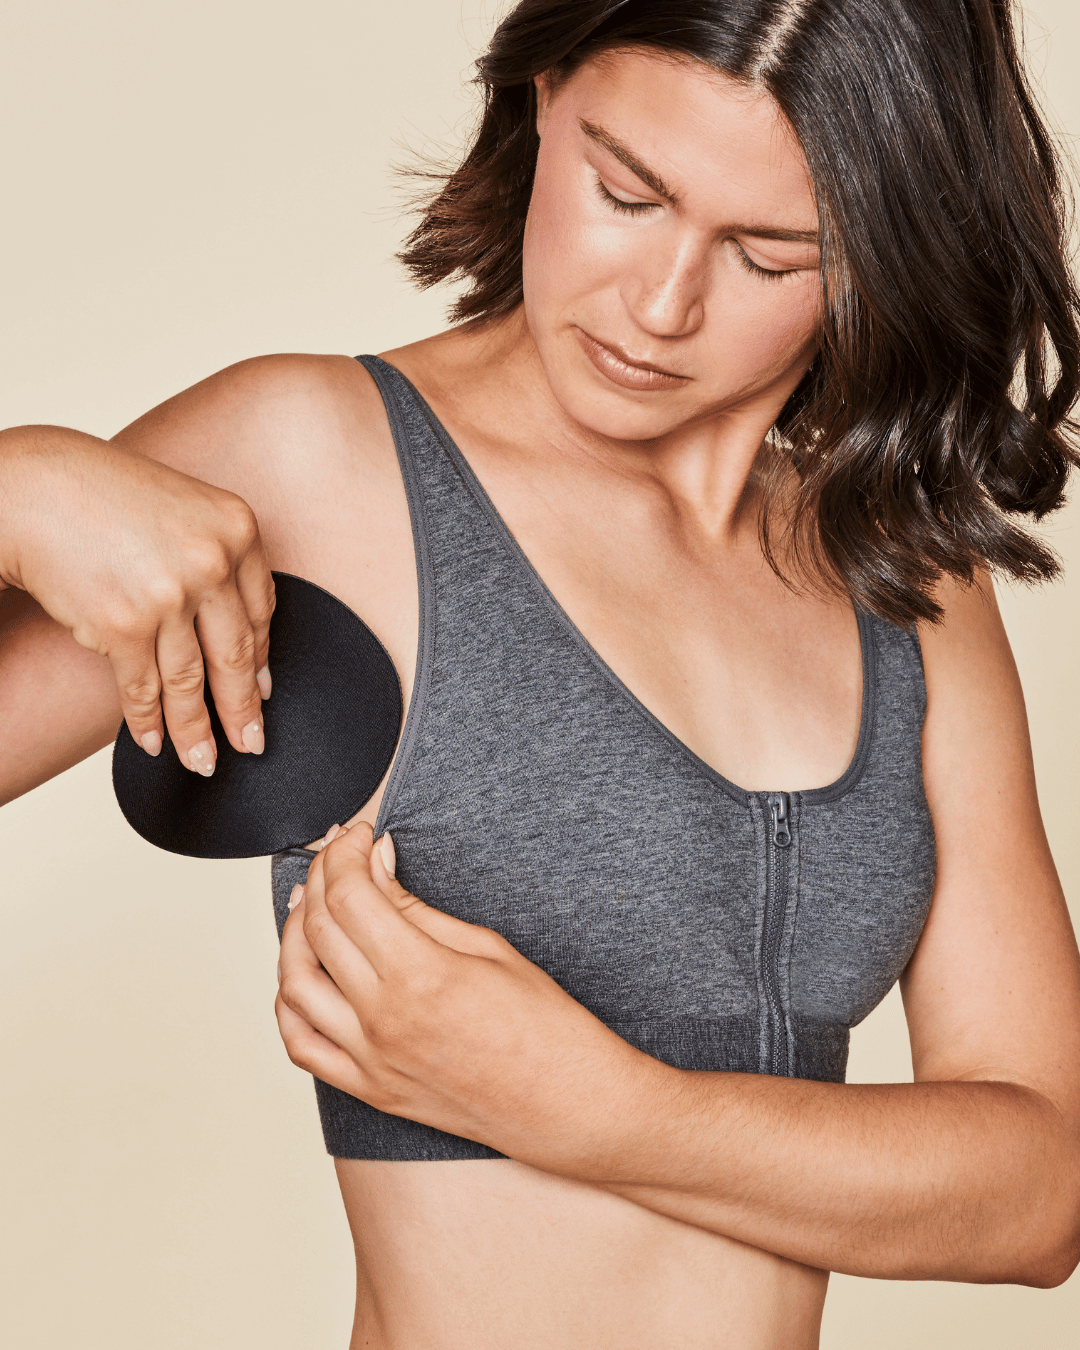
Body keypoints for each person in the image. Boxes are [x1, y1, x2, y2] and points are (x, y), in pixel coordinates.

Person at [3, 1, 1080, 1347]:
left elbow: (1041, 1187)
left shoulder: (910, 588)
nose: (660, 303)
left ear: (880, 251)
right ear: (542, 97)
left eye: (767, 253)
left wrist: (596, 1105)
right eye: (625, 189)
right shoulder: (322, 470)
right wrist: (14, 484)